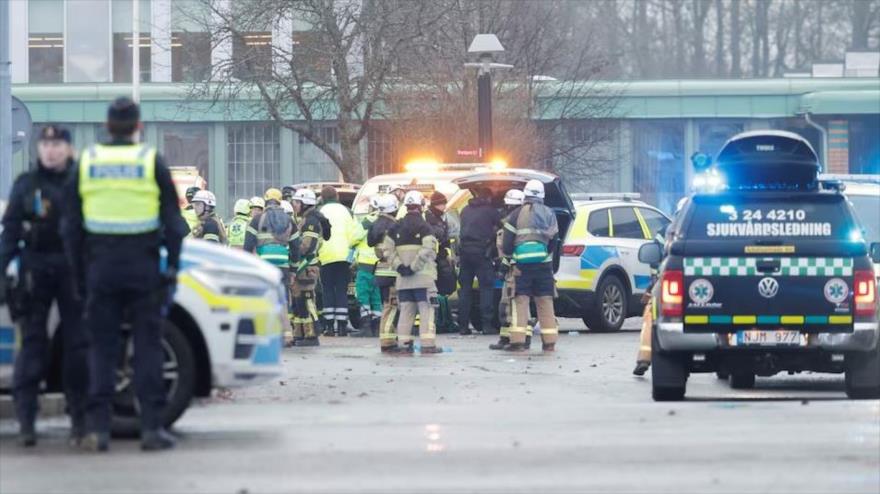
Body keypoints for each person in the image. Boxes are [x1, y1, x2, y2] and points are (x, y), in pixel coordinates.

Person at [63, 97, 188, 451]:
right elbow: (174, 225)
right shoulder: (150, 161)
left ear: (106, 125)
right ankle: (150, 429)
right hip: (143, 268)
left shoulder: (88, 162)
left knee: (102, 348)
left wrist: (79, 274)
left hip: (100, 269)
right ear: (138, 127)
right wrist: (172, 268)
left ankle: (99, 430)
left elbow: (70, 227)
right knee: (147, 347)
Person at [0, 125, 89, 447]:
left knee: (78, 347)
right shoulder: (27, 184)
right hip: (34, 269)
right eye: (46, 144)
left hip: (72, 269)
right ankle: (27, 422)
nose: (51, 150)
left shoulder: (80, 182)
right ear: (39, 149)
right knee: (33, 347)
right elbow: (9, 232)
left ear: (67, 148)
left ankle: (79, 420)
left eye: (57, 144)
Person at [500, 179, 559, 352]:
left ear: (525, 194)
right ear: (542, 195)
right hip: (543, 266)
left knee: (521, 302)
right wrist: (546, 255)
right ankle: (549, 342)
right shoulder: (549, 213)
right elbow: (554, 239)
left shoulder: (516, 214)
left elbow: (507, 243)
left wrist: (511, 257)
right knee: (545, 302)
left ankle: (517, 342)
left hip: (522, 267)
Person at [383, 191, 442, 354]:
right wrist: (413, 267)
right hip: (423, 279)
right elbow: (427, 250)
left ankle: (404, 344)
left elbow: (387, 251)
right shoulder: (425, 227)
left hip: (403, 280)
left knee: (406, 311)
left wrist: (400, 267)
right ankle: (428, 344)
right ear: (421, 206)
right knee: (427, 310)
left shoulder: (395, 227)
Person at [244, 188, 299, 343]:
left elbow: (248, 246)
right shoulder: (289, 221)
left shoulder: (257, 220)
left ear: (266, 201)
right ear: (280, 201)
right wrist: (293, 270)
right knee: (282, 299)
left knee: (264, 298)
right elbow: (296, 247)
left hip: (263, 266)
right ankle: (287, 335)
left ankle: (266, 335)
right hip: (283, 265)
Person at [457, 187, 502, 335]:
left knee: (465, 290)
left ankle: (463, 326)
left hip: (464, 253)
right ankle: (487, 325)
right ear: (488, 198)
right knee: (486, 289)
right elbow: (503, 226)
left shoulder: (464, 210)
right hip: (482, 253)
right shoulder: (490, 211)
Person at [490, 189, 528, 350]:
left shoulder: (515, 224)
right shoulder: (513, 222)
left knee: (515, 305)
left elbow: (510, 248)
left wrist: (504, 264)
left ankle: (522, 339)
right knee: (506, 305)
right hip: (511, 269)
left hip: (515, 269)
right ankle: (506, 337)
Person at [317, 186, 357, 336]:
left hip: (325, 255)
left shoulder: (320, 212)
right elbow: (354, 234)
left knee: (327, 290)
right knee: (341, 289)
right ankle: (342, 325)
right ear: (337, 196)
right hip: (344, 256)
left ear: (322, 197)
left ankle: (328, 326)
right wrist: (352, 257)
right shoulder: (347, 211)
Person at [289, 189, 323, 347]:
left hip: (308, 266)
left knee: (307, 299)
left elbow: (306, 246)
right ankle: (300, 334)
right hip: (303, 266)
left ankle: (312, 334)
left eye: (296, 202)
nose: (294, 205)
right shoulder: (305, 219)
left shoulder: (311, 222)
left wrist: (292, 249)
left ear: (305, 203)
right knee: (298, 301)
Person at [369, 194, 401, 352]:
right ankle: (388, 342)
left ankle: (390, 338)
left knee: (386, 306)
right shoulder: (394, 226)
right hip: (393, 273)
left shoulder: (375, 225)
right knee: (392, 308)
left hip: (380, 272)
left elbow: (370, 242)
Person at [425, 191, 457, 333]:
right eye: (442, 203)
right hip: (435, 259)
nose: (444, 206)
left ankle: (444, 320)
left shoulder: (440, 217)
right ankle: (440, 321)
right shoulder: (431, 218)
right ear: (436, 204)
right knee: (438, 290)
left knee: (443, 290)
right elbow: (437, 237)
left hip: (441, 257)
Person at [351, 196, 382, 337]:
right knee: (376, 297)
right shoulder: (387, 221)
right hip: (380, 265)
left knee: (363, 295)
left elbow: (353, 238)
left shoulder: (367, 221)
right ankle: (377, 327)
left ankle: (366, 327)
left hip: (365, 265)